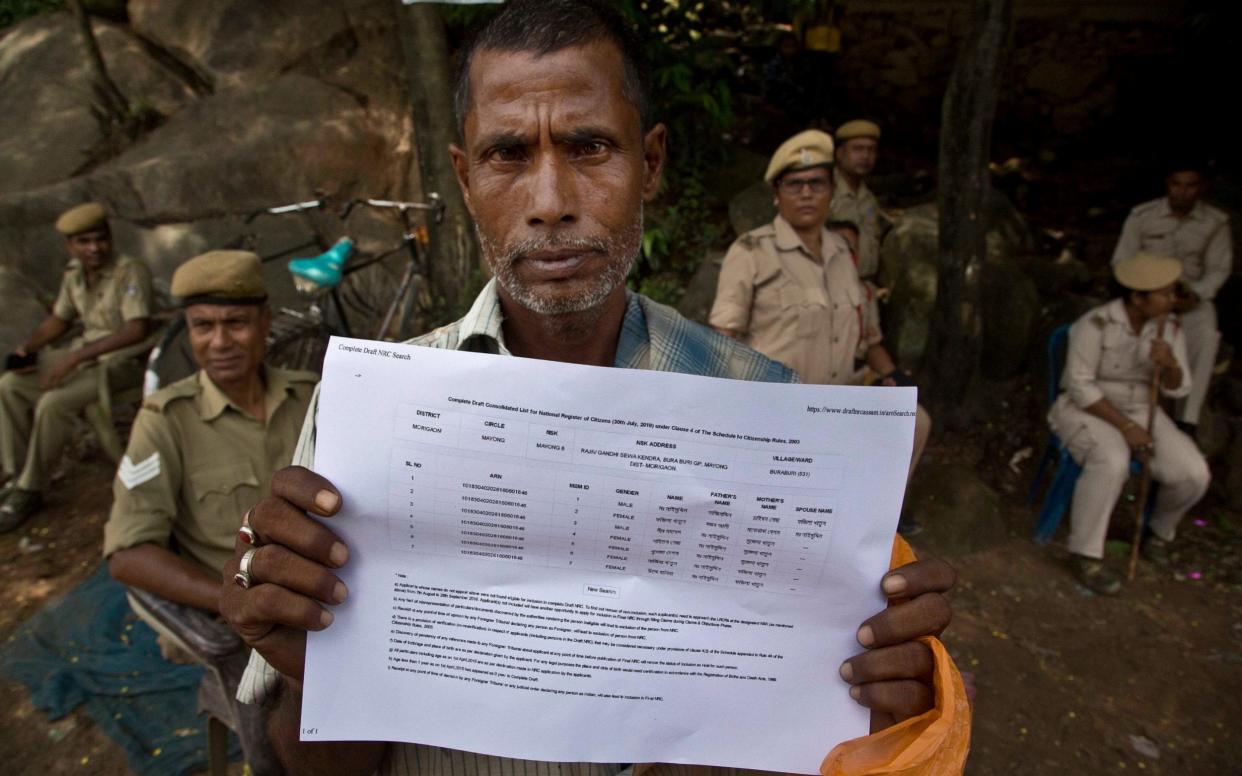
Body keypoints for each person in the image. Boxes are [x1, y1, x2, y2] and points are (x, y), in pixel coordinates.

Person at [218, 3, 969, 774]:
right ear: (464, 176)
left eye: (589, 146)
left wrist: (879, 705)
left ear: (651, 162)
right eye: (508, 153)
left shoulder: (763, 408)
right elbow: (314, 766)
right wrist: (317, 668)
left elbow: (808, 736)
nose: (550, 200)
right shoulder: (367, 416)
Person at [708, 130, 931, 534]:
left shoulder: (844, 254)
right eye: (795, 184)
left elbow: (870, 339)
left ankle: (874, 521)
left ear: (832, 192)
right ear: (776, 193)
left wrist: (893, 377)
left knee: (914, 419)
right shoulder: (752, 252)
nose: (807, 193)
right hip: (781, 411)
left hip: (842, 403)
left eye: (817, 183)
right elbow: (724, 341)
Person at [103, 250, 317, 658]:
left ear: (265, 322)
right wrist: (231, 601)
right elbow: (128, 554)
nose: (219, 343)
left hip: (327, 597)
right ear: (188, 331)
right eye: (203, 326)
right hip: (253, 626)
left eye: (236, 323)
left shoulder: (310, 394)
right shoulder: (165, 419)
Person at [1048, 253, 1210, 595]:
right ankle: (1085, 554)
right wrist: (1125, 428)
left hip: (1143, 408)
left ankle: (1159, 533)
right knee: (1111, 460)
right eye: (1164, 293)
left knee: (1193, 473)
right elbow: (1080, 387)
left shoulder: (1169, 327)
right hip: (1087, 409)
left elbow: (1179, 387)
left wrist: (1169, 365)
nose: (1172, 299)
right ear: (1138, 297)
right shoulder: (1094, 325)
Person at [0, 203, 153, 530]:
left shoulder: (129, 270)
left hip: (121, 361)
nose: (94, 248)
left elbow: (135, 329)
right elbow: (60, 318)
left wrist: (73, 359)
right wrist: (29, 347)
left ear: (110, 238)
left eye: (100, 239)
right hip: (84, 356)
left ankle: (30, 489)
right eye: (84, 242)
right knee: (10, 386)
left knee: (53, 404)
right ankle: (18, 475)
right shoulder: (74, 274)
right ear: (70, 245)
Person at [1112, 163, 1232, 434]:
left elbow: (1218, 269)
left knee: (1206, 331)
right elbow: (1121, 260)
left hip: (1188, 296)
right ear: (1167, 185)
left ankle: (1187, 419)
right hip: (1147, 292)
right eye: (1177, 184)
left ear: (1201, 188)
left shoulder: (1215, 222)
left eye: (1191, 185)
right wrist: (1146, 290)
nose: (1183, 192)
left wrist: (1196, 295)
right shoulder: (1142, 216)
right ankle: (1135, 412)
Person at [828, 120, 883, 285]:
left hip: (865, 287)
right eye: (857, 149)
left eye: (871, 150)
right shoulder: (823, 192)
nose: (865, 156)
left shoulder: (869, 199)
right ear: (839, 153)